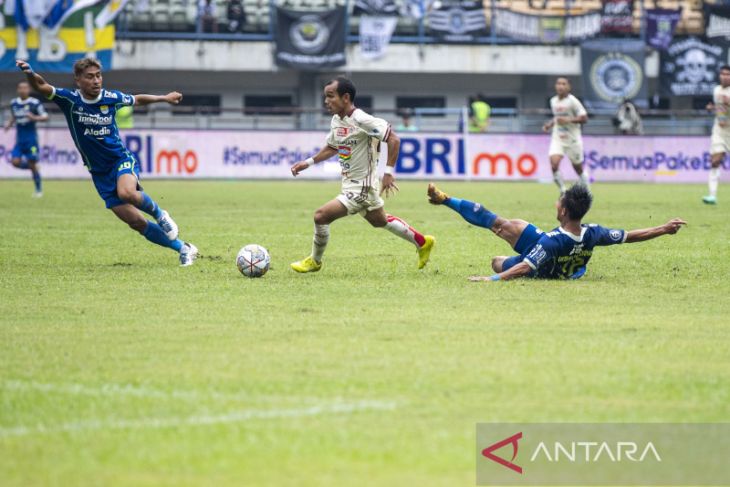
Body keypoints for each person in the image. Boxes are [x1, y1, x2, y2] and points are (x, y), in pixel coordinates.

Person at [16, 58, 198, 266]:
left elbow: (137, 100)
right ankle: (184, 248)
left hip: (120, 159)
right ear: (78, 80)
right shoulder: (70, 100)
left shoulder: (111, 98)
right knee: (136, 222)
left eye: (98, 76)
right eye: (90, 76)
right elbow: (40, 85)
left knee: (127, 192)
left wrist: (164, 98)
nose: (96, 81)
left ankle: (160, 214)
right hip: (99, 172)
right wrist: (29, 73)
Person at [289, 76, 435, 273]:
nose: (326, 101)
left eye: (330, 96)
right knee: (379, 220)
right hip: (351, 183)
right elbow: (333, 147)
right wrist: (308, 162)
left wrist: (389, 173)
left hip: (362, 187)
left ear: (346, 97)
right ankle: (422, 242)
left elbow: (394, 139)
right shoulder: (337, 121)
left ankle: (315, 261)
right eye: (325, 97)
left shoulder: (362, 119)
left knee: (321, 216)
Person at [426, 182, 685, 281]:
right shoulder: (594, 233)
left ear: (562, 212)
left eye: (558, 202)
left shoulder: (550, 242)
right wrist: (663, 228)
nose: (556, 204)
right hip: (557, 256)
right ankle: (445, 199)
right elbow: (630, 236)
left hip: (543, 266)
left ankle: (447, 201)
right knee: (507, 224)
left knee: (496, 262)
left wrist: (490, 279)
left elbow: (525, 268)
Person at [543, 77, 589, 194]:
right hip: (558, 137)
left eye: (563, 84)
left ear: (568, 87)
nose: (560, 86)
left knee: (577, 168)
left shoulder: (573, 101)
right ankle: (563, 191)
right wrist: (549, 125)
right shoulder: (553, 101)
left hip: (572, 139)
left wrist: (569, 120)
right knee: (554, 164)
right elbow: (557, 117)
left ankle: (586, 186)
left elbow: (584, 118)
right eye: (558, 84)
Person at [3, 80, 48, 197]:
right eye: (20, 88)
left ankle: (38, 189)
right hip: (19, 140)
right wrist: (9, 124)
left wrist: (34, 117)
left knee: (32, 163)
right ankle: (34, 168)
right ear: (18, 90)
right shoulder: (14, 103)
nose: (23, 90)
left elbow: (45, 116)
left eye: (25, 88)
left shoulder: (35, 103)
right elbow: (14, 116)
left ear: (29, 90)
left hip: (31, 140)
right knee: (15, 162)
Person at [703, 65, 730, 205]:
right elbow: (719, 109)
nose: (725, 76)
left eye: (728, 74)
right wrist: (711, 108)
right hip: (719, 130)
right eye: (723, 74)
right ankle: (712, 195)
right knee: (715, 161)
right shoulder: (716, 90)